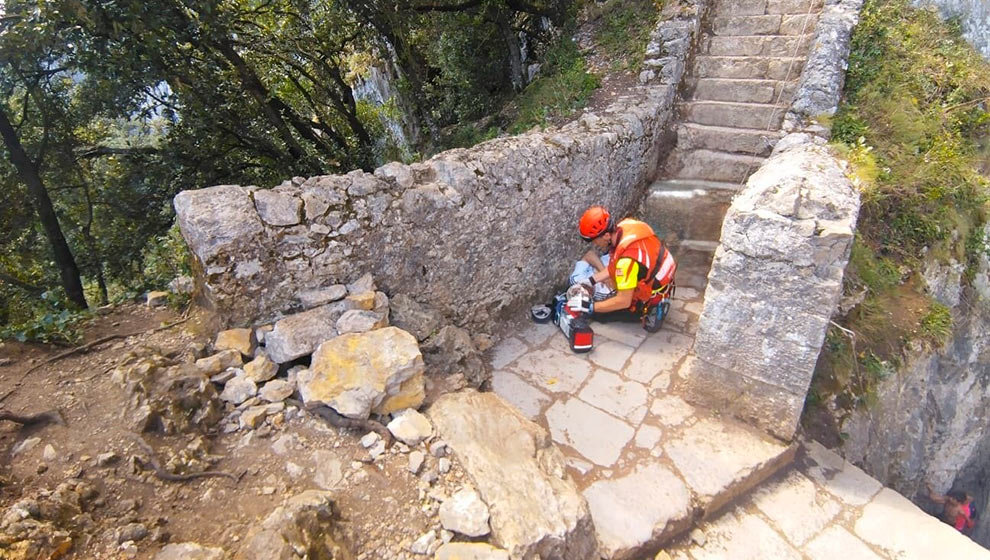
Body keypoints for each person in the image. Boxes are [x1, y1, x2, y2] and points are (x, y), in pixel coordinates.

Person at [569, 205, 676, 331]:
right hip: (662, 268)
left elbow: (623, 301)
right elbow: (614, 264)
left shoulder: (626, 262)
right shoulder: (626, 226)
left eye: (595, 240)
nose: (595, 244)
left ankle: (653, 307)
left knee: (600, 314)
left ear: (606, 236)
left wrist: (590, 307)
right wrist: (590, 281)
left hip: (655, 287)